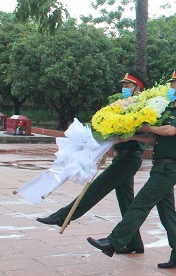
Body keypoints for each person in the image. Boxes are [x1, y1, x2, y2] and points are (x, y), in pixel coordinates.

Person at [87, 69, 176, 268]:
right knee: (167, 213)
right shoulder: (172, 111)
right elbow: (156, 139)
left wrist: (146, 127)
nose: (170, 89)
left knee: (140, 204)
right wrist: (134, 136)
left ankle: (114, 241)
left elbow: (169, 131)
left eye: (173, 86)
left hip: (168, 169)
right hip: (161, 168)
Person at [37, 70, 148, 254]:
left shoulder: (141, 108)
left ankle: (63, 215)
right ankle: (135, 242)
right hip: (122, 155)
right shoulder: (123, 105)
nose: (124, 88)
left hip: (130, 156)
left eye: (127, 86)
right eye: (123, 85)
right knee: (126, 202)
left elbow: (140, 132)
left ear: (138, 87)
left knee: (97, 187)